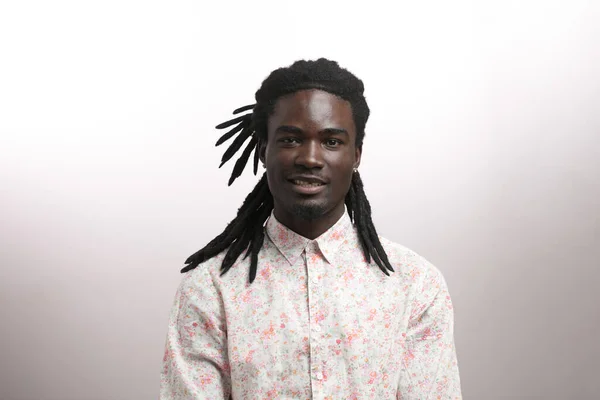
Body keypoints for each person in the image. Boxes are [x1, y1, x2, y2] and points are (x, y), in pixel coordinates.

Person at [160, 58, 462, 399]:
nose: (310, 158)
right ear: (264, 149)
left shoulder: (415, 285)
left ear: (357, 155)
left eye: (332, 141)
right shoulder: (209, 289)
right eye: (290, 140)